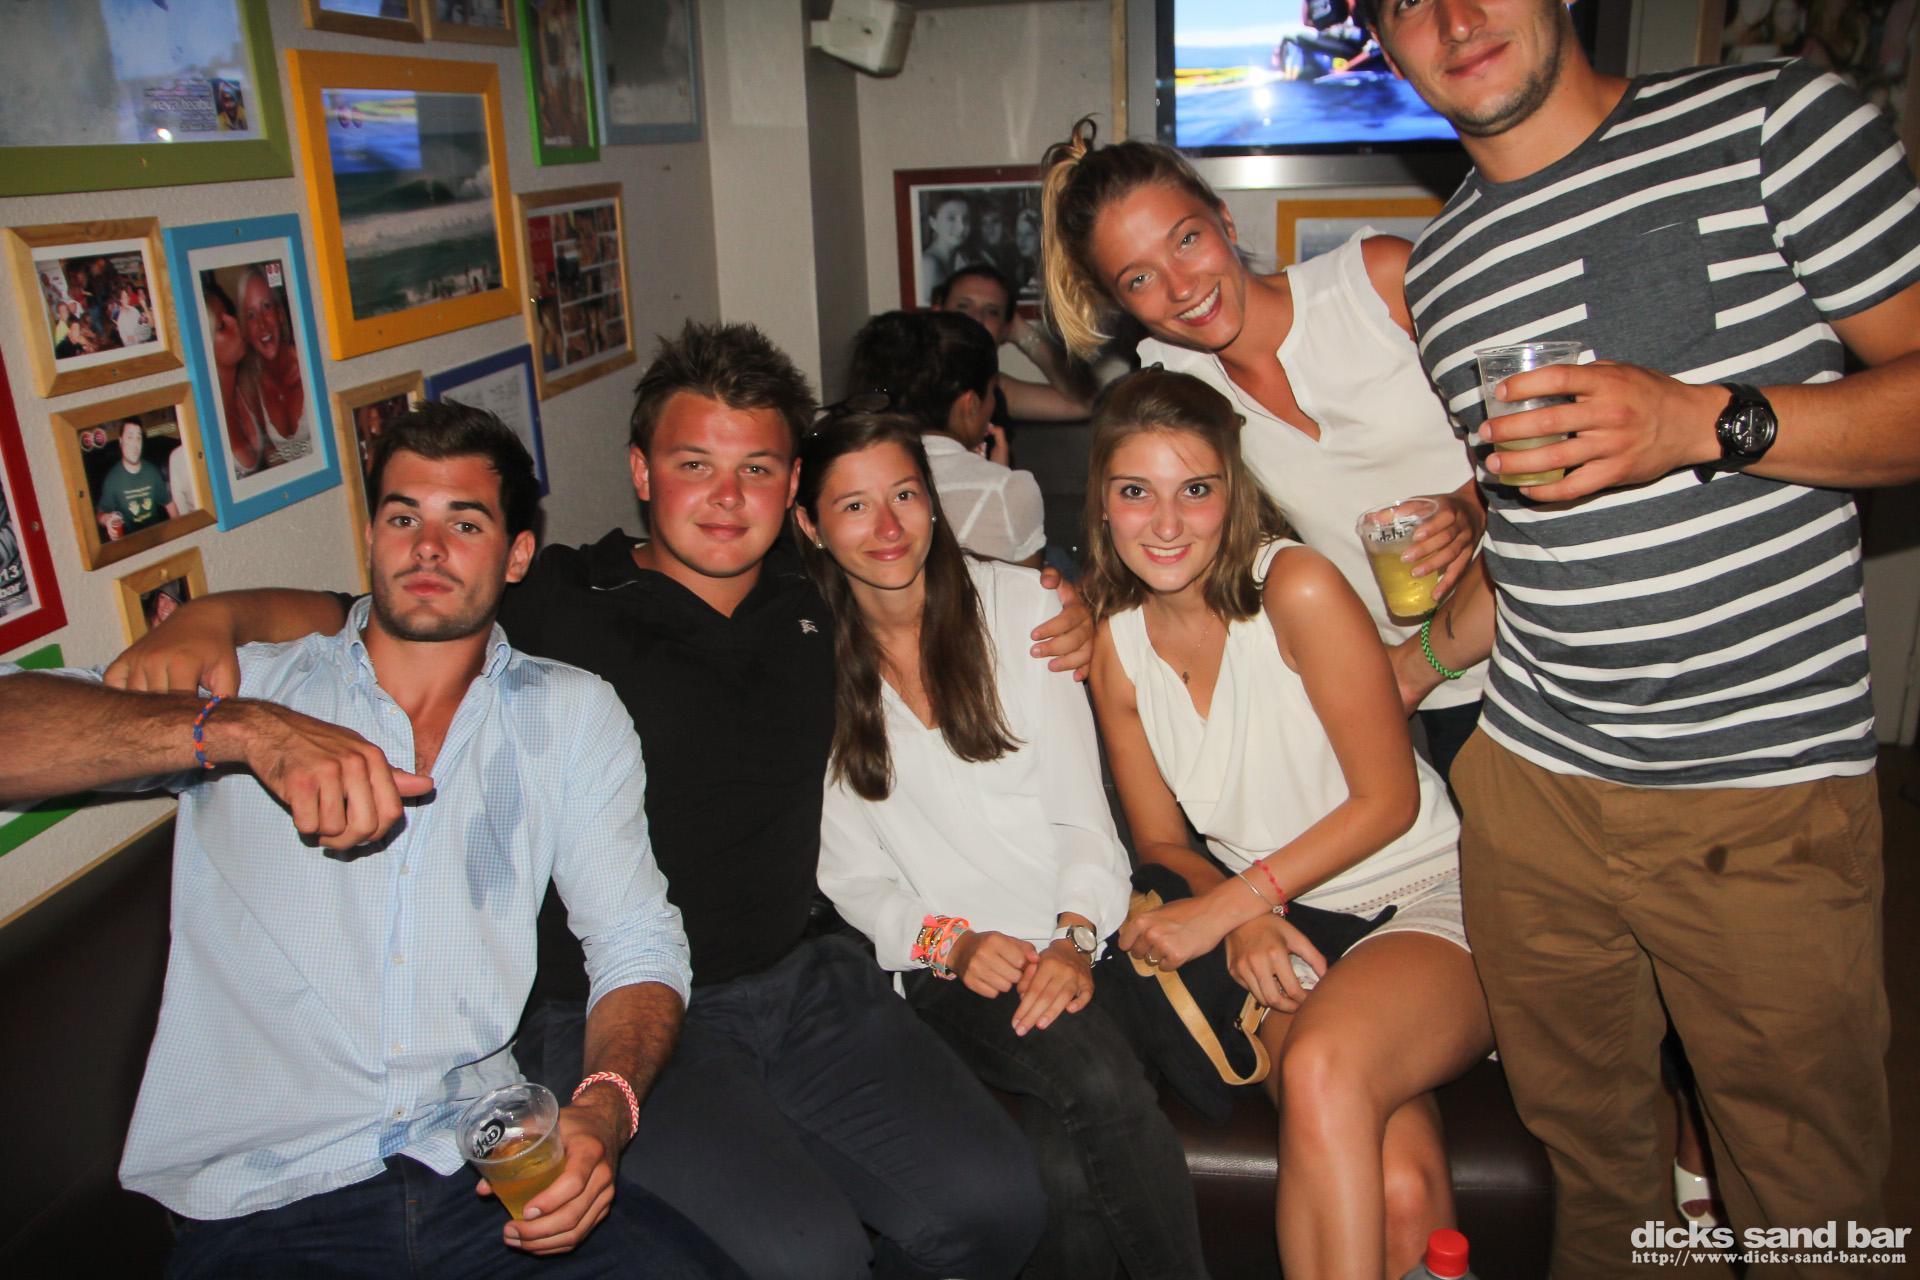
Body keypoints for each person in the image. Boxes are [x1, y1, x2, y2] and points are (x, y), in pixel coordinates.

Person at [102, 320, 1098, 1280]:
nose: (726, 497)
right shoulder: (559, 600)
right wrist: (216, 615)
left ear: (793, 485)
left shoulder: (818, 588)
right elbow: (362, 610)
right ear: (641, 471)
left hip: (809, 975)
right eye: (694, 463)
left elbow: (941, 581)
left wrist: (1072, 604)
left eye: (756, 467)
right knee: (807, 1256)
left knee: (998, 1207)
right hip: (621, 1008)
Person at [1354, 0, 1920, 1273]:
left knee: (1807, 1199)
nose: (1453, 18)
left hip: (1762, 789)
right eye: (1406, 1)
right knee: (1597, 1170)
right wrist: (1429, 635)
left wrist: (1701, 421)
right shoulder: (1441, 268)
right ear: (1383, 43)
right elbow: (1532, 520)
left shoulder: (1772, 122)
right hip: (1535, 790)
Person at [0, 402, 740, 1279]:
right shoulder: (257, 687)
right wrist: (241, 731)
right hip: (272, 1205)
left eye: (464, 523)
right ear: (370, 538)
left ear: (516, 557)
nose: (427, 548)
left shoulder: (571, 713)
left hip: (481, 1166)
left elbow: (637, 942)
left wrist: (606, 1111)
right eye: (402, 518)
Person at [1083, 369, 1492, 1279]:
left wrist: (1234, 905)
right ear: (1102, 504)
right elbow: (1162, 843)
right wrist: (1247, 915)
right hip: (1284, 922)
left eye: (1196, 489)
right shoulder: (1114, 647)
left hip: (1423, 892)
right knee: (1400, 1190)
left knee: (1321, 1071)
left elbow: (1387, 800)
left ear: (1233, 495)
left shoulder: (1294, 586)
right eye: (1135, 492)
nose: (1166, 523)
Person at [798, 412, 1209, 1280]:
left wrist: (1073, 940)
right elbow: (855, 879)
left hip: (1081, 930)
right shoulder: (806, 665)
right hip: (953, 966)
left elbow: (1082, 819)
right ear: (810, 523)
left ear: (933, 501)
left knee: (1065, 1167)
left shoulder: (1025, 609)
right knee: (1097, 1083)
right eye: (854, 506)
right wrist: (953, 943)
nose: (888, 526)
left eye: (905, 494)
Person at [1037, 118, 1488, 780]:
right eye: (1139, 279)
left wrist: (1471, 505)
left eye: (1186, 239)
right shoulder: (1180, 381)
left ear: (1224, 219)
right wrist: (1080, 606)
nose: (1181, 287)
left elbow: (1544, 429)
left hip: (1542, 625)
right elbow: (1170, 533)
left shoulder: (1376, 282)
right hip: (1416, 687)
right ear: (1118, 303)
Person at [847, 309, 1049, 568]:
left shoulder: (854, 474)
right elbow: (1027, 586)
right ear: (970, 404)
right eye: (992, 392)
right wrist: (998, 478)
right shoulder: (1010, 489)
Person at [933, 262, 1095, 422]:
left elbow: (1085, 403)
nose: (977, 318)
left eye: (992, 312)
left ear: (1006, 328)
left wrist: (1023, 334)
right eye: (963, 306)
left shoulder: (994, 390)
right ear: (937, 312)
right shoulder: (918, 376)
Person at [96, 419, 177, 541]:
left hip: (156, 538)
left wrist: (179, 533)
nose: (135, 444)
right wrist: (107, 520)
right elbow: (100, 515)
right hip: (129, 543)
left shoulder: (152, 471)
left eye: (138, 438)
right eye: (130, 437)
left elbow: (169, 504)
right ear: (121, 441)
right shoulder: (112, 480)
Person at [920, 192, 976, 303]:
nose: (961, 227)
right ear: (933, 222)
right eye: (951, 218)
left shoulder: (960, 261)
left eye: (965, 219)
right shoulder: (928, 265)